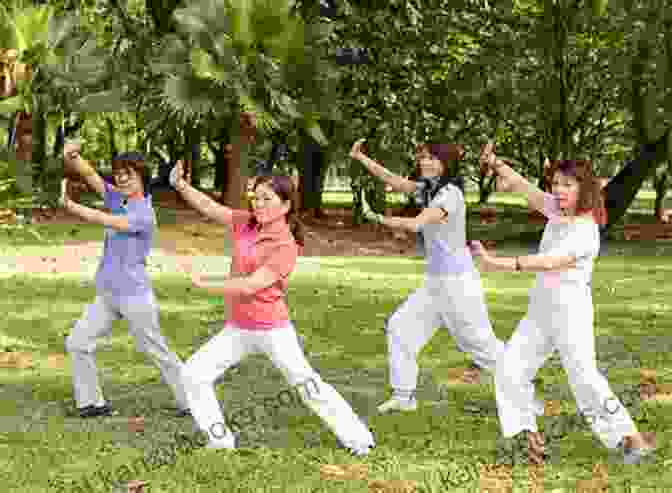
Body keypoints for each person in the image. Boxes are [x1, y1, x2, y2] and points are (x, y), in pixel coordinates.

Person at [169, 162, 375, 454]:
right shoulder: (247, 223)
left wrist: (204, 283)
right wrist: (180, 184)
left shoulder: (286, 246)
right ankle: (220, 441)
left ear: (286, 205)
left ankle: (359, 439)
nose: (259, 203)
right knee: (193, 374)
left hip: (271, 330)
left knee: (307, 385)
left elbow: (252, 284)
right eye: (256, 196)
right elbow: (211, 208)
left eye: (267, 198)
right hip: (238, 327)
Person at [474, 142, 655, 465]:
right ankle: (526, 438)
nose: (558, 190)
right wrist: (496, 164)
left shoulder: (586, 231)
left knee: (585, 380)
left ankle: (631, 439)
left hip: (570, 313)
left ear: (584, 189)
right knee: (509, 370)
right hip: (540, 310)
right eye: (556, 183)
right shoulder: (557, 212)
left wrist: (495, 262)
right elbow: (523, 187)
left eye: (567, 185)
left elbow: (548, 262)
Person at [350, 139, 509, 412]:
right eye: (423, 157)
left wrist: (376, 217)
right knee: (400, 329)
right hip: (436, 283)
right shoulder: (428, 189)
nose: (425, 162)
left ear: (446, 164)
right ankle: (404, 397)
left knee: (483, 347)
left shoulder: (450, 195)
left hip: (458, 284)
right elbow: (394, 180)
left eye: (433, 158)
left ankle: (525, 396)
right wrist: (361, 158)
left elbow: (416, 224)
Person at [60, 142, 190, 418]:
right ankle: (91, 403)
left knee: (155, 350)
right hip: (108, 293)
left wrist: (71, 206)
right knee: (77, 343)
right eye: (118, 173)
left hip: (135, 295)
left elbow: (103, 219)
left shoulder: (144, 213)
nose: (121, 178)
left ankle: (191, 399)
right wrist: (73, 156)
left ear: (141, 177)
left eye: (128, 173)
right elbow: (92, 176)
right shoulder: (117, 198)